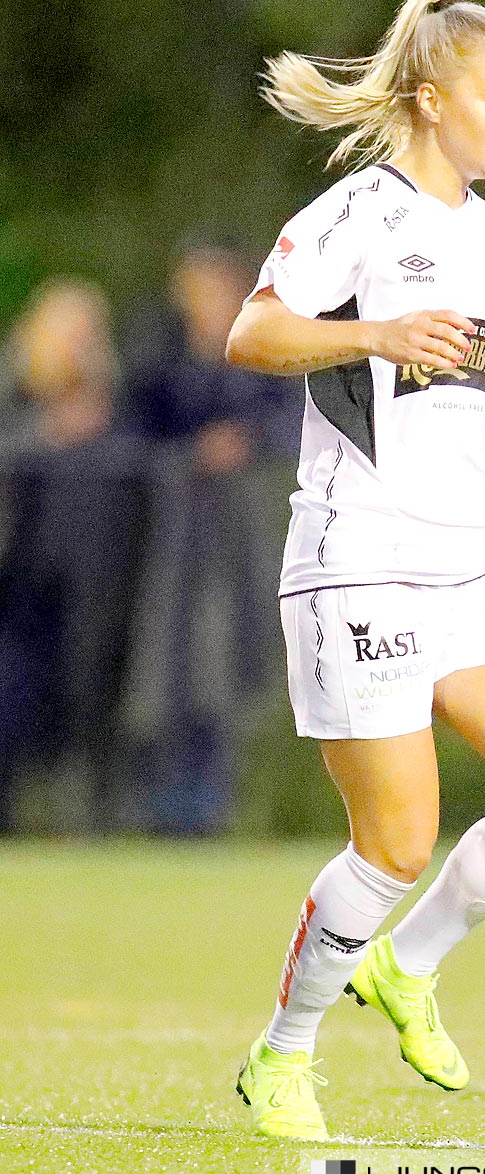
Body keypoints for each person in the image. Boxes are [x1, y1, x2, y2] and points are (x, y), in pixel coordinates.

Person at [223, 0, 485, 1140]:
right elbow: (252, 334)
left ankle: (409, 964)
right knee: (397, 838)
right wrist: (374, 333)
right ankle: (282, 1053)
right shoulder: (356, 215)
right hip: (361, 562)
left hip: (472, 564)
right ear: (434, 98)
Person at [119, 244, 298, 836]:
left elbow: (293, 424)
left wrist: (243, 442)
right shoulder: (160, 363)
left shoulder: (269, 356)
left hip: (243, 542)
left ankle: (214, 805)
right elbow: (137, 430)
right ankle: (157, 806)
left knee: (228, 663)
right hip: (167, 544)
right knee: (164, 665)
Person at [0, 278, 142, 832]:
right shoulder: (17, 400)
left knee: (90, 703)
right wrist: (48, 435)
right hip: (19, 581)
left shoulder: (117, 408)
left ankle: (91, 822)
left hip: (95, 585)